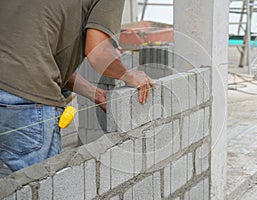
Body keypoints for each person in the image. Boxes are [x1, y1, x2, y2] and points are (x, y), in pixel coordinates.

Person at [0, 0, 155, 172]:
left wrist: (96, 94)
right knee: (38, 188)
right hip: (25, 100)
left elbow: (42, 60)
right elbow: (98, 52)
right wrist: (130, 75)